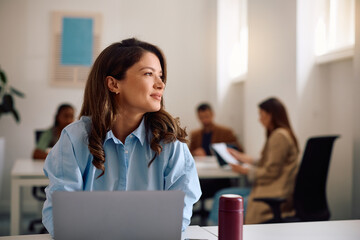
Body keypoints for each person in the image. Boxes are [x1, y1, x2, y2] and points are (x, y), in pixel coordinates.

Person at [42, 38, 202, 237]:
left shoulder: (171, 144)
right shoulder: (74, 139)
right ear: (113, 84)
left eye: (160, 76)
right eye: (149, 74)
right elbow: (60, 217)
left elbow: (177, 219)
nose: (160, 84)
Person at [208, 97, 299, 225]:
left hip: (273, 193)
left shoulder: (279, 136)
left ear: (270, 115)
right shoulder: (281, 134)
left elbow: (271, 172)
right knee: (222, 195)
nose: (259, 119)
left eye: (261, 114)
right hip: (268, 189)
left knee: (223, 199)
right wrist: (242, 157)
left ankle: (219, 234)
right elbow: (268, 161)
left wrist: (244, 170)